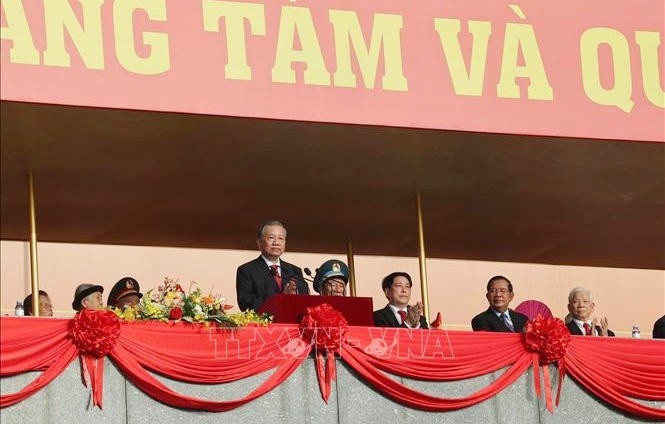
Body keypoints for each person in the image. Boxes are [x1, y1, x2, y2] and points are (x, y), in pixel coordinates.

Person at [236, 220, 309, 311]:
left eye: (281, 238)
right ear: (259, 242)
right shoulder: (247, 270)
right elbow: (246, 304)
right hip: (264, 320)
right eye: (271, 238)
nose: (276, 243)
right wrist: (281, 297)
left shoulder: (294, 271)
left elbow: (305, 301)